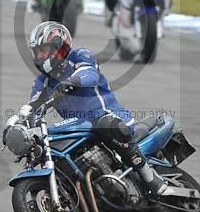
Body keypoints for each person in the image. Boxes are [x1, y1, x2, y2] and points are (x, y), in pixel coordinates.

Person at [18, 21, 168, 196]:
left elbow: (89, 73)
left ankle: (152, 179)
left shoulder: (79, 56)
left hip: (110, 118)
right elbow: (33, 105)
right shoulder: (42, 82)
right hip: (83, 129)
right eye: (36, 52)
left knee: (106, 124)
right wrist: (19, 121)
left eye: (43, 50)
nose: (39, 56)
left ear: (58, 47)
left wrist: (71, 82)